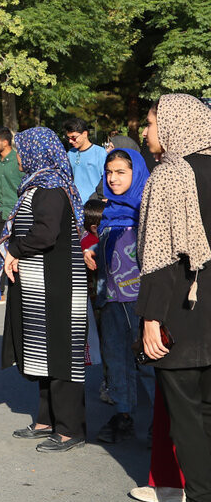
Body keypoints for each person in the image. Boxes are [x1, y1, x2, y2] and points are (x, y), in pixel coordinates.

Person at [137, 94, 211, 502]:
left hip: (182, 317)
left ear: (174, 126)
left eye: (151, 123)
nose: (147, 132)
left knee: (186, 421)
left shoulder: (169, 175)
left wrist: (151, 319)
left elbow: (159, 259)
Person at [0, 127, 88, 452]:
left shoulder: (50, 188)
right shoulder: (38, 184)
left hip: (57, 284)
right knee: (44, 353)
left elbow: (46, 233)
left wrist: (15, 250)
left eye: (22, 149)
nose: (18, 156)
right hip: (43, 284)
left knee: (61, 353)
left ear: (37, 151)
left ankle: (69, 429)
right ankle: (46, 420)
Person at [93, 147, 152, 443]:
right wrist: (93, 251)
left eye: (120, 172)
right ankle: (123, 414)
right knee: (116, 358)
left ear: (136, 173)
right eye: (109, 173)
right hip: (111, 298)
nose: (113, 179)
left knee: (148, 360)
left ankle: (161, 423)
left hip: (142, 300)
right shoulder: (108, 212)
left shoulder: (147, 208)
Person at [0, 126, 21, 299]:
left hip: (19, 212)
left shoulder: (19, 160)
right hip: (1, 212)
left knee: (21, 251)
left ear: (5, 142)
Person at [65, 118, 108, 204]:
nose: (70, 141)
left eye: (73, 138)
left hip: (94, 203)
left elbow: (106, 178)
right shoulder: (70, 154)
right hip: (74, 203)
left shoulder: (100, 153)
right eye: (68, 138)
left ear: (85, 134)